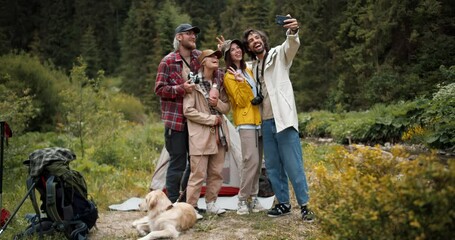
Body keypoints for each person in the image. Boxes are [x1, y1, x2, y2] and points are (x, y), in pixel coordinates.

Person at [241, 15, 315, 222]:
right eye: (250, 41)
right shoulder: (252, 67)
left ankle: (305, 205)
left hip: (283, 118)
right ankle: (283, 203)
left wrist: (293, 31)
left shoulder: (278, 55)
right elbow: (235, 61)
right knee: (273, 166)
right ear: (249, 48)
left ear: (263, 40)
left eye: (257, 38)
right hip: (265, 122)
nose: (254, 41)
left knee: (293, 164)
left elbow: (291, 46)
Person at [154, 23, 201, 204]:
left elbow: (215, 63)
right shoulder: (168, 61)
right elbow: (159, 89)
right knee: (178, 164)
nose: (193, 37)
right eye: (189, 34)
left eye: (194, 34)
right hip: (176, 122)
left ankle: (187, 202)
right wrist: (182, 88)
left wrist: (223, 50)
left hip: (196, 120)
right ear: (179, 37)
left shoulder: (198, 57)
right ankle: (173, 203)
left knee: (196, 163)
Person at [219, 38, 265, 215]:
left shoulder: (248, 70)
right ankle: (242, 199)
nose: (237, 51)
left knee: (257, 161)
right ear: (228, 55)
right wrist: (240, 82)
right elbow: (241, 100)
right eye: (232, 49)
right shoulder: (229, 76)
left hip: (259, 120)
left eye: (238, 48)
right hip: (246, 122)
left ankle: (253, 199)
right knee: (249, 161)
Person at [183, 49, 230, 215]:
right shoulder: (193, 82)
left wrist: (216, 103)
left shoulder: (220, 83)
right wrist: (210, 119)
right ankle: (191, 208)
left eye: (217, 57)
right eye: (211, 57)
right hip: (200, 135)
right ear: (203, 62)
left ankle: (211, 204)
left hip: (220, 135)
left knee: (217, 173)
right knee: (198, 174)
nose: (215, 59)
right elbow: (188, 110)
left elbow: (227, 107)